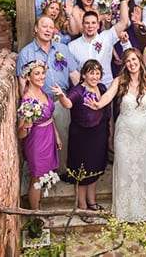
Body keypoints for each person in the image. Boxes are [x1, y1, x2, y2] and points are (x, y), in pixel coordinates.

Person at [86, 48, 146, 222]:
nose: (132, 64)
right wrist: (98, 104)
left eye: (134, 60)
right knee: (125, 168)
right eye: (128, 61)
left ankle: (143, 208)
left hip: (145, 133)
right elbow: (107, 96)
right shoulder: (119, 81)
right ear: (124, 64)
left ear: (140, 61)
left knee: (144, 168)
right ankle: (125, 209)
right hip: (124, 133)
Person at [16, 15, 80, 172]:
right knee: (41, 142)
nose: (48, 30)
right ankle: (43, 175)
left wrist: (78, 101)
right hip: (38, 106)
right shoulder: (26, 53)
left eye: (51, 27)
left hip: (60, 101)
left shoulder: (62, 49)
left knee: (63, 138)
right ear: (36, 28)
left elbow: (74, 76)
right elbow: (22, 84)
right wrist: (27, 108)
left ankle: (62, 171)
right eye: (44, 26)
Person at [51, 60, 111, 224]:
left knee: (95, 169)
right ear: (84, 74)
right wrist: (62, 96)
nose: (94, 76)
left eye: (97, 73)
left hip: (99, 135)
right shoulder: (78, 90)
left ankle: (92, 201)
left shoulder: (102, 88)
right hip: (82, 137)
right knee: (82, 172)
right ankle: (82, 205)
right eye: (91, 72)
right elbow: (68, 104)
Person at [17, 60, 62, 213]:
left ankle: (38, 204)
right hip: (36, 141)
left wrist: (56, 134)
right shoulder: (27, 100)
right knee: (36, 178)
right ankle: (36, 215)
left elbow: (50, 116)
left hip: (49, 135)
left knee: (44, 175)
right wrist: (25, 126)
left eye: (42, 73)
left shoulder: (42, 91)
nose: (42, 76)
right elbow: (20, 133)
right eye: (37, 74)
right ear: (28, 77)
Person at [68, 0, 131, 88]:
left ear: (98, 25)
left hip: (106, 87)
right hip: (84, 92)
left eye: (93, 23)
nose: (90, 26)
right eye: (87, 23)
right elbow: (73, 74)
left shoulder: (106, 37)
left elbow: (124, 22)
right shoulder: (72, 46)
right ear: (82, 25)